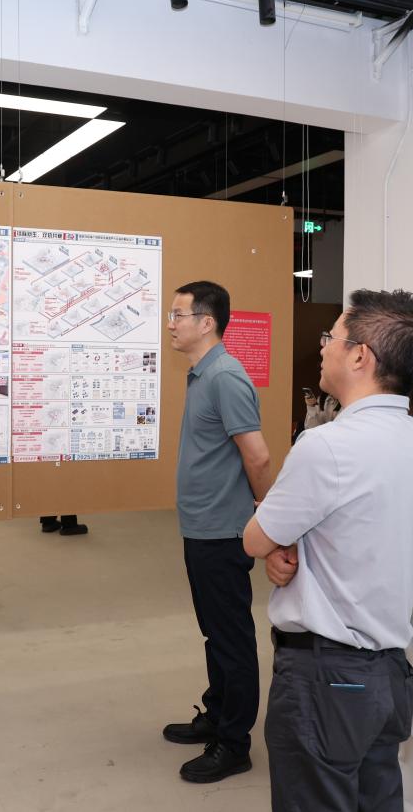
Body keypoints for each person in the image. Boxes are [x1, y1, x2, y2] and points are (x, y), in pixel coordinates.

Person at [244, 288, 413, 811]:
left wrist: (278, 542)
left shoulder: (327, 446)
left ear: (359, 357)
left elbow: (255, 538)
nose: (323, 346)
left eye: (331, 336)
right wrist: (294, 544)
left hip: (325, 677)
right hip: (388, 672)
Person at [162, 281, 273, 783]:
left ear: (207, 322)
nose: (171, 323)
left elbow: (258, 456)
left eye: (178, 314)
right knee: (215, 632)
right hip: (202, 525)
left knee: (231, 637)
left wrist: (266, 515)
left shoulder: (226, 377)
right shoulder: (202, 374)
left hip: (224, 530)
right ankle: (217, 713)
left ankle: (234, 743)